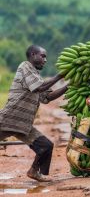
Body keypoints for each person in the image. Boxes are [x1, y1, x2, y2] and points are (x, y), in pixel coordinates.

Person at [0, 45, 68, 182]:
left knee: (46, 146)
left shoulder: (36, 75)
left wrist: (68, 86)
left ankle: (34, 171)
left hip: (24, 125)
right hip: (9, 119)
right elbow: (40, 87)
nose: (45, 60)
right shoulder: (25, 67)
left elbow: (47, 97)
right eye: (42, 56)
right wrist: (59, 76)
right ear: (32, 55)